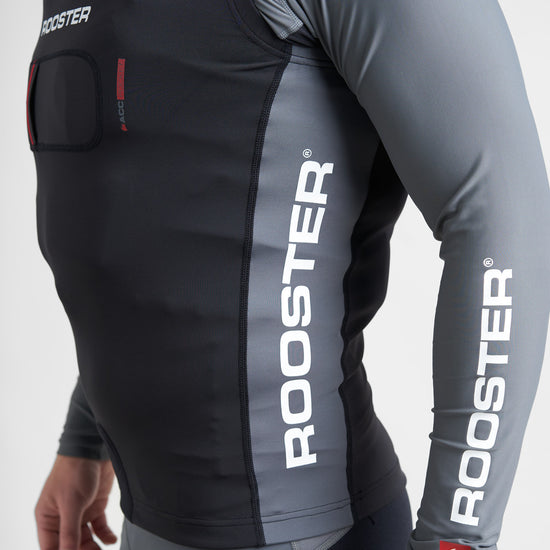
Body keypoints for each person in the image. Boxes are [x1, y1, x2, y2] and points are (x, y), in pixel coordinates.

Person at [29, 1, 549, 549]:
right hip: (146, 523)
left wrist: (457, 539)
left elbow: (502, 218)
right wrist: (84, 437)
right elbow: (152, 232)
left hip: (312, 528)